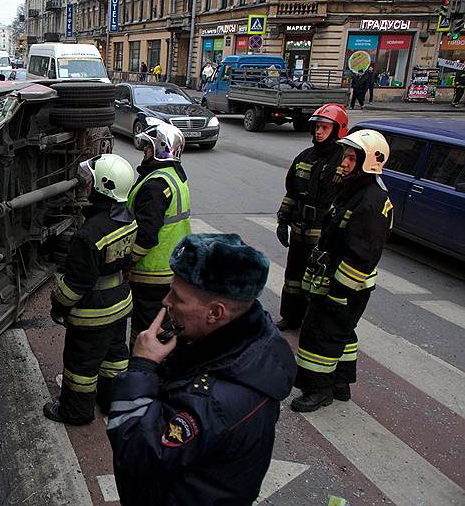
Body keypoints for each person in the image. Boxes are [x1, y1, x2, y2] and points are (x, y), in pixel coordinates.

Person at [106, 233, 296, 505]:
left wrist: (142, 367)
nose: (166, 301)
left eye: (178, 297)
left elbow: (138, 454)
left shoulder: (215, 401)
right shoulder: (238, 341)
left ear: (216, 313)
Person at [291, 130, 392, 412]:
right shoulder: (356, 190)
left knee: (320, 334)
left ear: (368, 162)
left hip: (345, 285)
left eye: (350, 158)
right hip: (339, 281)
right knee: (342, 333)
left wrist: (338, 293)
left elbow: (362, 257)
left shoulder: (369, 202)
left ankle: (318, 390)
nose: (343, 163)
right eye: (345, 157)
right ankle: (339, 384)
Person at [45, 154, 139, 425]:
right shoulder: (128, 218)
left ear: (103, 186)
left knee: (81, 367)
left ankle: (75, 412)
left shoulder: (89, 235)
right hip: (120, 305)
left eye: (91, 180)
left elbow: (76, 285)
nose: (87, 185)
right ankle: (112, 401)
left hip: (92, 313)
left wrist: (58, 306)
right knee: (115, 357)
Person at [274, 104, 348, 331]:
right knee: (293, 277)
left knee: (318, 279)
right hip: (299, 228)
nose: (319, 132)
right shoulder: (304, 157)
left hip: (323, 233)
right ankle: (290, 316)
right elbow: (291, 193)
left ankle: (313, 321)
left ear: (337, 130)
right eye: (317, 127)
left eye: (325, 127)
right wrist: (283, 221)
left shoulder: (343, 161)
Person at [126, 124, 191, 349]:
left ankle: (143, 368)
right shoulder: (175, 175)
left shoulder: (155, 184)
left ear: (159, 148)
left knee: (146, 328)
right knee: (163, 323)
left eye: (148, 147)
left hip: (151, 272)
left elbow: (145, 235)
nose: (144, 150)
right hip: (172, 266)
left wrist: (127, 262)